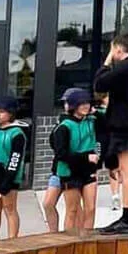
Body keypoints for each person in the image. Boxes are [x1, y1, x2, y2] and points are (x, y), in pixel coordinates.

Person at [94, 35, 128, 235]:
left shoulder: (126, 67)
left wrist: (108, 59)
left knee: (127, 171)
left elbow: (99, 84)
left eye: (113, 50)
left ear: (118, 49)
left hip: (125, 125)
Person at [0, 98, 32, 240]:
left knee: (10, 209)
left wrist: (8, 181)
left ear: (11, 113)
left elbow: (15, 159)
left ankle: (12, 240)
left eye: (2, 112)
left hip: (8, 175)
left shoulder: (17, 134)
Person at [50, 88, 101, 230]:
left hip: (88, 171)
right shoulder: (64, 127)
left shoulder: (91, 121)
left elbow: (106, 121)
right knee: (72, 211)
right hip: (70, 172)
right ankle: (69, 243)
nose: (86, 106)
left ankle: (87, 242)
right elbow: (61, 154)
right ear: (73, 105)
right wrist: (86, 158)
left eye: (88, 103)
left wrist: (96, 111)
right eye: (81, 103)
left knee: (90, 209)